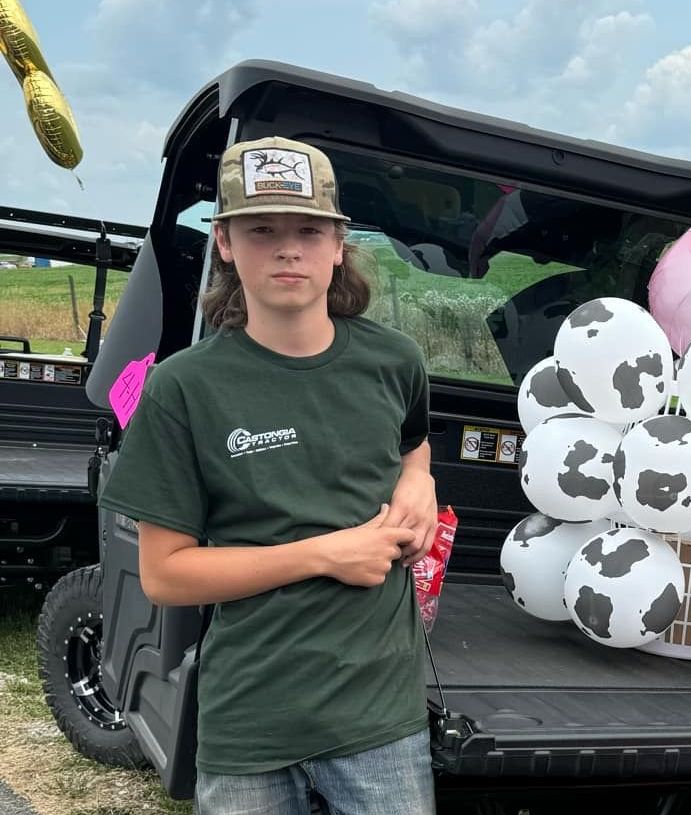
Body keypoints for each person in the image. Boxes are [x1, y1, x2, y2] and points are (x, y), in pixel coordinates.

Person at [98, 136, 439, 814]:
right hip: (251, 717)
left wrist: (418, 483)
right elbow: (166, 573)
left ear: (338, 243)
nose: (289, 249)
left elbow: (414, 444)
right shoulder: (182, 387)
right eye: (263, 230)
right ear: (224, 242)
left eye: (309, 230)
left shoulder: (395, 362)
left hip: (380, 716)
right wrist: (324, 554)